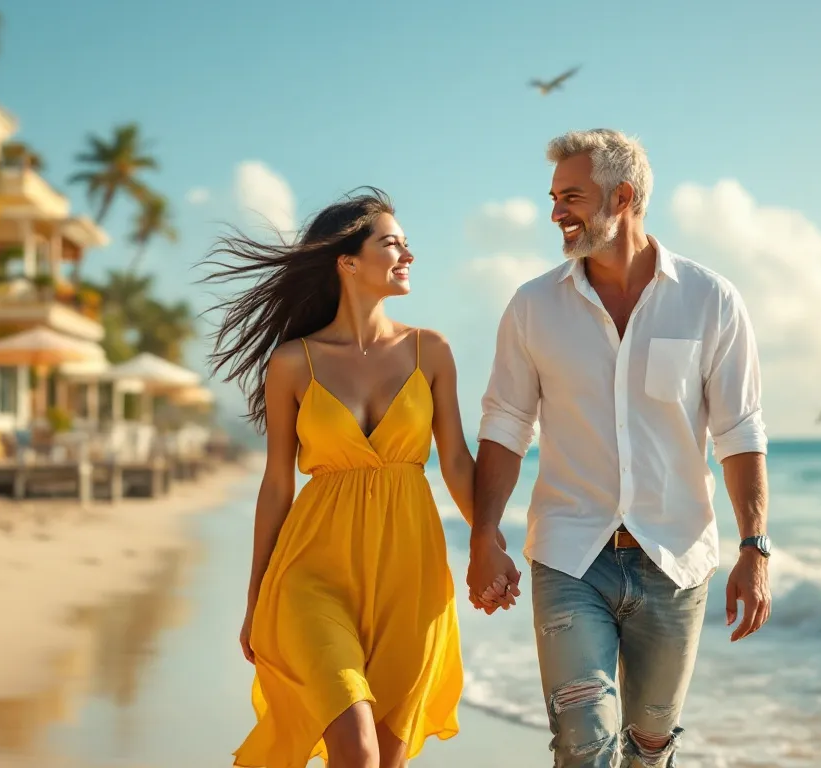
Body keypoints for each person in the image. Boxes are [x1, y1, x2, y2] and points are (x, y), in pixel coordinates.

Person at [467, 129, 773, 768]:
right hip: (569, 556)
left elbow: (739, 433)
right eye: (552, 197)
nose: (555, 213)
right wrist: (484, 533)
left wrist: (754, 547)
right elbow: (505, 424)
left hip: (675, 558)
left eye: (571, 197)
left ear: (623, 197)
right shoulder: (532, 307)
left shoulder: (710, 300)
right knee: (583, 744)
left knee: (649, 746)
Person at [204, 188, 487, 768]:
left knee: (384, 758)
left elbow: (456, 461)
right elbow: (277, 486)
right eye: (392, 243)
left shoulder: (430, 351)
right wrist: (256, 596)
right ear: (347, 261)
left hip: (411, 576)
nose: (407, 255)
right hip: (313, 572)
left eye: (408, 244)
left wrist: (492, 538)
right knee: (354, 747)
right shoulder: (290, 363)